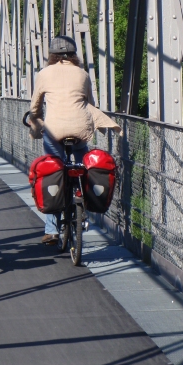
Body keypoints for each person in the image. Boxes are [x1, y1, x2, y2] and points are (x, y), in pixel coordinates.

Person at [28, 35, 120, 245]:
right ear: (74, 54)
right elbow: (89, 103)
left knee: (52, 170)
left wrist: (35, 119)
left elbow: (35, 107)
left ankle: (51, 230)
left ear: (52, 54)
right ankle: (82, 204)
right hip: (80, 129)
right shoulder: (83, 74)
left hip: (54, 130)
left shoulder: (44, 74)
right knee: (82, 163)